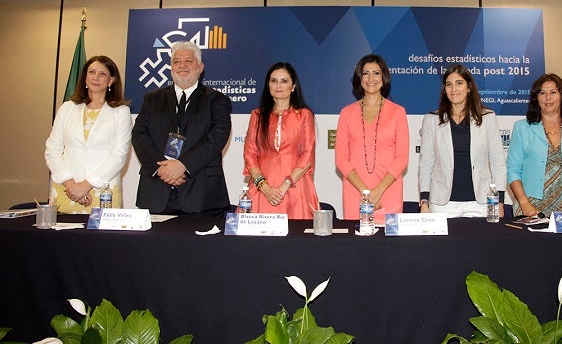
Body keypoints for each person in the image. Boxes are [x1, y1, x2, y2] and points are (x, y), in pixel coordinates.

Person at [132, 41, 232, 216]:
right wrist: (163, 170)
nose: (182, 66)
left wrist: (183, 165)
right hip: (157, 193)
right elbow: (139, 135)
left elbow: (216, 138)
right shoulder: (152, 99)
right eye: (176, 62)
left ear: (200, 67)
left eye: (188, 61)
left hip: (202, 196)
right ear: (171, 67)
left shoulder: (217, 100)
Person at [45, 55, 132, 213]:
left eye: (102, 74)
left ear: (111, 80)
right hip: (66, 189)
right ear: (85, 77)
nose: (96, 77)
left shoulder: (121, 112)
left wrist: (85, 186)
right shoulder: (67, 108)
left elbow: (119, 155)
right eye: (91, 72)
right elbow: (52, 150)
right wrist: (72, 186)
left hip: (102, 191)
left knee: (99, 238)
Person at [418, 65, 506, 217]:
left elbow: (498, 162)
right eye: (449, 84)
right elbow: (426, 164)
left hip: (482, 203)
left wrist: (499, 201)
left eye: (459, 83)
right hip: (442, 205)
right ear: (444, 89)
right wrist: (424, 202)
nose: (454, 89)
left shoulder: (488, 117)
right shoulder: (431, 120)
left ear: (469, 87)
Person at [507, 73, 562, 216]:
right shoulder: (522, 128)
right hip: (529, 206)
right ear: (536, 98)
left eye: (553, 92)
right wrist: (524, 203)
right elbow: (513, 168)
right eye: (542, 93)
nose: (548, 97)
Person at [335, 54, 409, 224]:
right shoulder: (346, 113)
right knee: (356, 244)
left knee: (389, 246)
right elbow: (341, 159)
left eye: (376, 73)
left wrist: (377, 191)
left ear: (384, 77)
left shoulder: (398, 112)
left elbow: (402, 158)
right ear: (359, 78)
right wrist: (366, 193)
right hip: (356, 191)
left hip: (388, 190)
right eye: (365, 73)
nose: (371, 78)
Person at [243, 62, 319, 219]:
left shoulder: (304, 115)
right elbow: (250, 154)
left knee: (296, 238)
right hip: (262, 188)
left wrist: (285, 186)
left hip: (295, 186)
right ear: (268, 85)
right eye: (274, 80)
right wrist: (264, 187)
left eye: (284, 81)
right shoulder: (257, 115)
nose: (278, 85)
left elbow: (307, 154)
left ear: (293, 86)